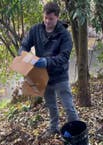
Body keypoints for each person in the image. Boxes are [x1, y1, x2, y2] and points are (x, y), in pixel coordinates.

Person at [18, 2, 79, 137]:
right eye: (45, 18)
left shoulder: (64, 34)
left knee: (68, 107)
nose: (47, 21)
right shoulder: (36, 30)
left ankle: (76, 131)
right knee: (51, 105)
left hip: (59, 75)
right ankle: (53, 128)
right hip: (43, 76)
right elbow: (23, 45)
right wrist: (24, 55)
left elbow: (64, 57)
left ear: (57, 17)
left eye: (50, 19)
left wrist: (46, 61)